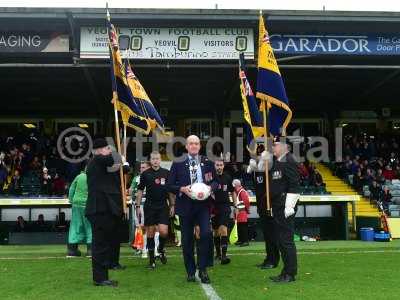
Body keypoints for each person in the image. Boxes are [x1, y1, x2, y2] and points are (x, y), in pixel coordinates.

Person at [167, 135, 218, 284]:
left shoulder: (208, 162)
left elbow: (216, 181)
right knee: (187, 239)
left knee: (206, 234)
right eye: (191, 143)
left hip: (203, 206)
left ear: (199, 146)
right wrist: (182, 188)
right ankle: (190, 271)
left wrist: (210, 187)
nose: (194, 146)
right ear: (187, 147)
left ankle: (203, 269)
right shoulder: (178, 163)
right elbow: (169, 185)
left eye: (196, 143)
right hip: (185, 206)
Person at [85, 138, 129, 287]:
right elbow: (113, 159)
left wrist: (124, 163)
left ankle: (103, 274)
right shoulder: (96, 161)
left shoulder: (103, 165)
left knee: (104, 243)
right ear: (99, 150)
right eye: (107, 149)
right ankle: (100, 278)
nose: (110, 151)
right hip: (99, 209)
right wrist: (119, 156)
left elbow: (122, 170)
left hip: (106, 209)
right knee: (100, 244)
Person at [269, 137, 301, 283]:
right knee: (281, 240)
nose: (273, 147)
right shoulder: (278, 161)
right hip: (278, 206)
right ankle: (285, 271)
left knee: (286, 240)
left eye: (275, 145)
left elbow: (294, 184)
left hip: (285, 206)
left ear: (284, 146)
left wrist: (290, 206)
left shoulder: (289, 160)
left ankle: (290, 273)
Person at [136, 151, 173, 269]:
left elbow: (170, 191)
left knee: (164, 231)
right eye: (153, 159)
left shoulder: (166, 173)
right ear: (150, 160)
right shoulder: (145, 174)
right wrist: (137, 206)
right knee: (150, 232)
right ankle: (151, 261)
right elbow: (140, 190)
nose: (155, 161)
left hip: (163, 206)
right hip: (150, 206)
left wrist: (172, 205)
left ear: (160, 160)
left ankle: (161, 249)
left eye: (157, 159)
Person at [247, 145, 280, 270]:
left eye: (261, 154)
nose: (260, 156)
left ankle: (273, 260)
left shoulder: (270, 169)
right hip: (261, 204)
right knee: (266, 233)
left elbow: (273, 187)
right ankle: (268, 258)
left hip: (269, 205)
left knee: (271, 234)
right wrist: (253, 156)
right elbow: (249, 169)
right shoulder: (257, 169)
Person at [212, 158, 236, 264]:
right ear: (214, 166)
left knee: (223, 229)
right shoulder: (210, 177)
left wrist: (235, 205)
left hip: (225, 206)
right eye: (217, 165)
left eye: (221, 165)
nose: (219, 167)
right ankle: (217, 254)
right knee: (216, 232)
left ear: (223, 166)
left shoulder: (227, 177)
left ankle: (224, 256)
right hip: (213, 207)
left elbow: (233, 192)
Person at [67, 167, 92, 258]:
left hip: (76, 204)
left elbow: (71, 189)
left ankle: (72, 250)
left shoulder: (79, 177)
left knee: (75, 226)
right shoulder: (93, 176)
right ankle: (90, 251)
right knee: (90, 226)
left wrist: (71, 200)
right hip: (88, 204)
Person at [130, 161, 150, 258]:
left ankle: (149, 248)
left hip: (148, 205)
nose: (142, 169)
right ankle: (140, 247)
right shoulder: (136, 178)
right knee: (140, 227)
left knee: (148, 226)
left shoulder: (151, 177)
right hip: (138, 205)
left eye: (144, 167)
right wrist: (133, 199)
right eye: (141, 167)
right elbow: (131, 190)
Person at [233, 179, 250, 246]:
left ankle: (245, 241)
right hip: (240, 212)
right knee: (240, 227)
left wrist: (247, 210)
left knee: (243, 227)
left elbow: (246, 201)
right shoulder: (239, 191)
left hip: (242, 211)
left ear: (236, 185)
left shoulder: (242, 191)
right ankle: (241, 240)